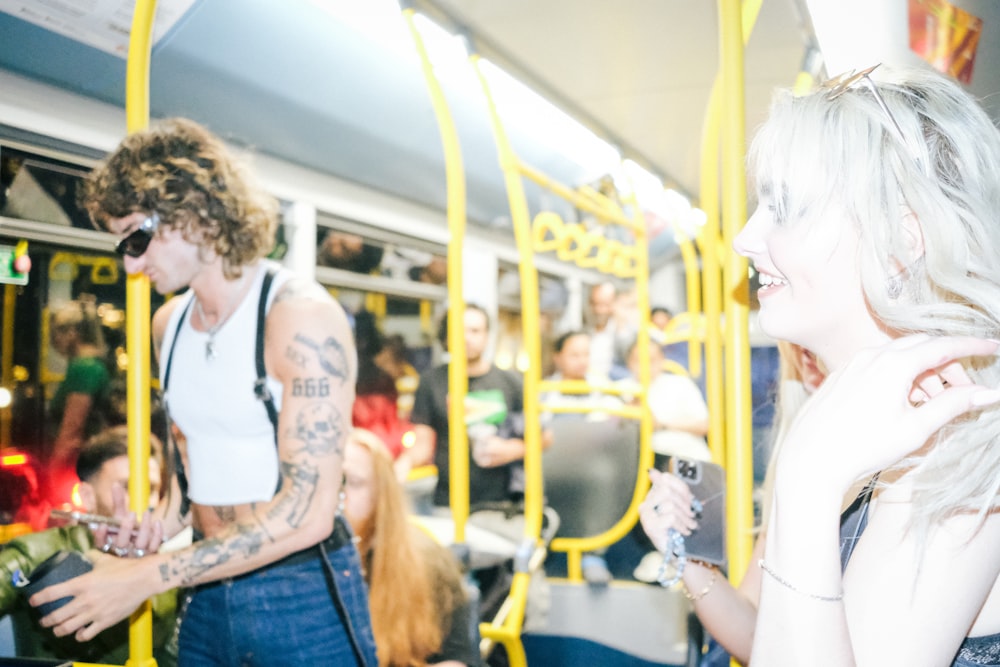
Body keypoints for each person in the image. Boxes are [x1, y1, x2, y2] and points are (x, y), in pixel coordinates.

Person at [30, 118, 377, 666]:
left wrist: (145, 577)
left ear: (191, 215)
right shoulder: (167, 326)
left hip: (299, 586)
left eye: (138, 239)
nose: (131, 264)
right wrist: (160, 525)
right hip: (205, 583)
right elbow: (192, 471)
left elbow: (306, 515)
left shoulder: (298, 316)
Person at [732, 65, 1000, 665]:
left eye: (784, 207)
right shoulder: (907, 424)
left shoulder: (956, 447)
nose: (745, 238)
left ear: (902, 244)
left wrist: (805, 482)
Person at [638, 341, 823, 665]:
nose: (809, 360)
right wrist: (688, 557)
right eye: (801, 350)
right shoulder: (796, 479)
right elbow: (754, 636)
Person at [0, 426, 176, 666]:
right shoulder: (35, 554)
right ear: (88, 496)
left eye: (151, 489)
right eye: (128, 487)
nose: (142, 502)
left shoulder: (170, 570)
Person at [342, 428, 480, 667]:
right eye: (328, 483)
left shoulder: (426, 560)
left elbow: (457, 658)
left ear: (382, 493)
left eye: (352, 483)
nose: (337, 495)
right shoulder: (294, 563)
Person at [46, 299, 112, 492]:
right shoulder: (94, 365)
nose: (53, 340)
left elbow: (71, 430)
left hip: (75, 465)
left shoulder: (83, 368)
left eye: (56, 332)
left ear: (73, 332)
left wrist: (53, 470)